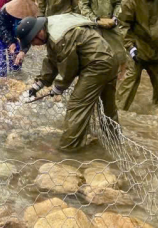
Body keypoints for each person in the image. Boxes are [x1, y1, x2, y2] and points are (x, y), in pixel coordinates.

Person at [18, 13, 120, 151]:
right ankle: (115, 141)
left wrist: (58, 87)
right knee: (108, 106)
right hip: (109, 57)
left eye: (31, 41)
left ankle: (68, 150)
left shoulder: (58, 38)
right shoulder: (52, 25)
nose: (33, 45)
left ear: (38, 33)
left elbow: (68, 66)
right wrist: (40, 83)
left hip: (97, 65)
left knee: (77, 105)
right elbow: (53, 57)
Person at [79, 0, 126, 68]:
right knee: (94, 54)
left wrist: (115, 17)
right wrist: (94, 19)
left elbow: (120, 3)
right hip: (93, 25)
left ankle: (118, 76)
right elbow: (83, 5)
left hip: (111, 24)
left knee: (119, 53)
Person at [0, 0, 39, 77]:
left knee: (17, 55)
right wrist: (10, 42)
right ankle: (0, 78)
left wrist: (23, 51)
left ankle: (16, 74)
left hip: (13, 34)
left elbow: (28, 37)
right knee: (1, 57)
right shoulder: (4, 12)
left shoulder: (30, 20)